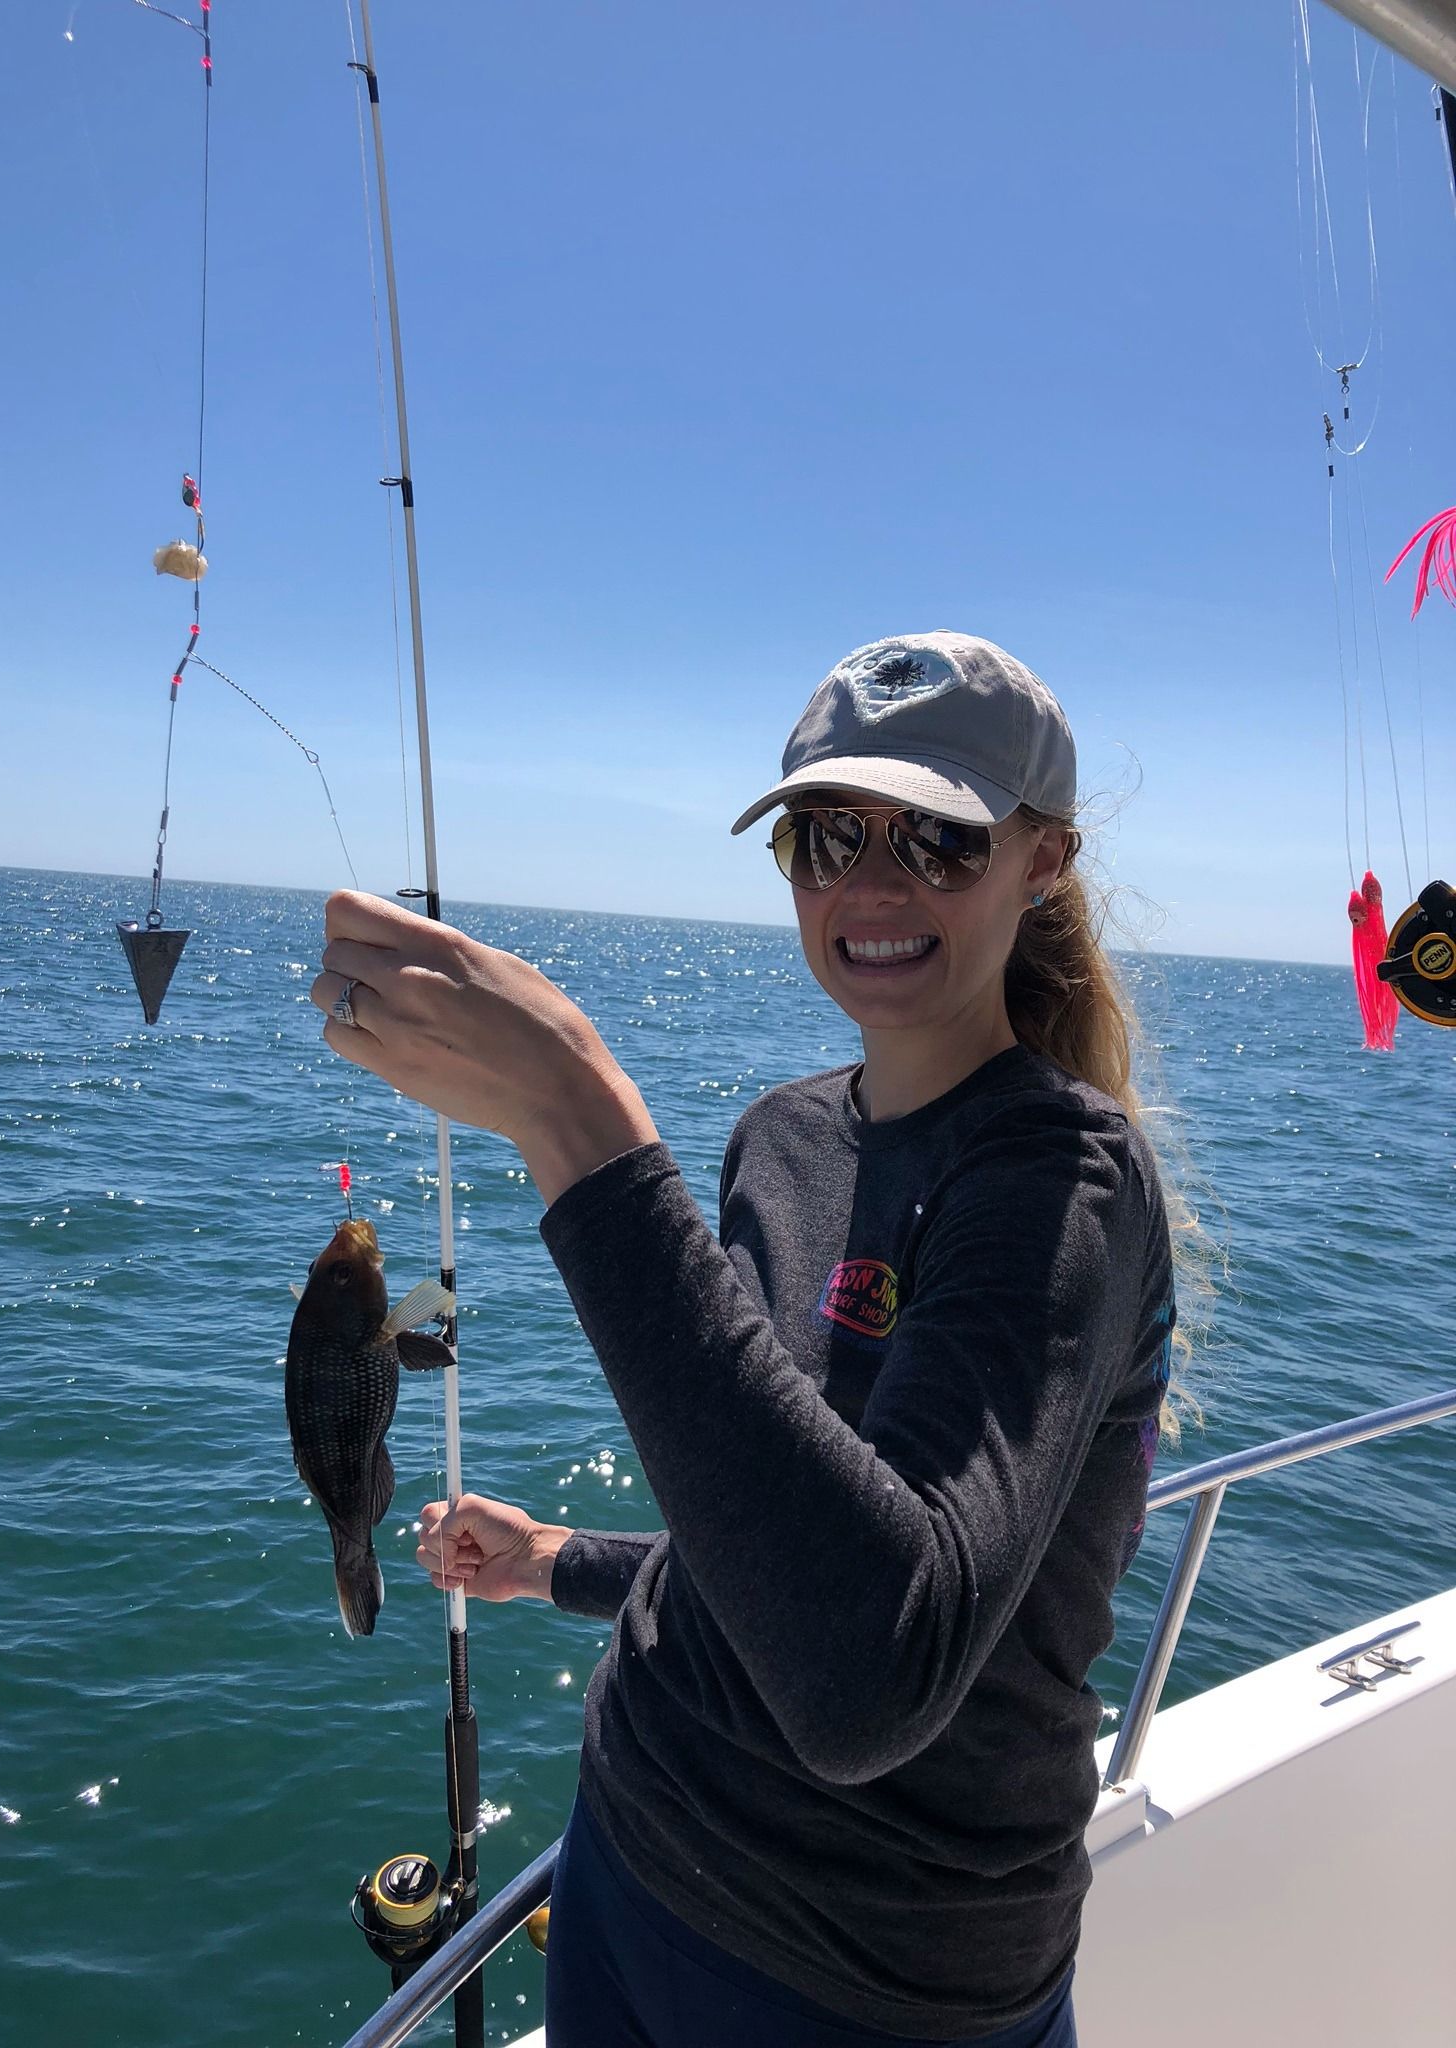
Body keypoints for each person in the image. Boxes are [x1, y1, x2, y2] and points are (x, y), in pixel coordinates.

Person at [311, 631, 1180, 2048]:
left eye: (943, 841)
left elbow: (868, 1668)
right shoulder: (775, 1140)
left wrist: (579, 1124)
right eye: (827, 836)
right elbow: (787, 1544)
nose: (873, 883)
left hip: (871, 1983)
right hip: (634, 1863)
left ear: (1046, 862)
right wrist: (562, 1564)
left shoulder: (1062, 1183)